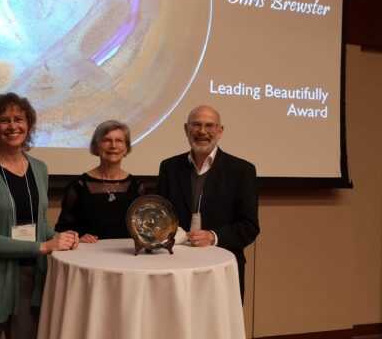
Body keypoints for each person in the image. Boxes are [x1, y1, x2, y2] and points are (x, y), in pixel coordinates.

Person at [0, 93, 79, 339]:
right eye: (4, 120)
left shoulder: (40, 168)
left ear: (28, 124)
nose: (13, 126)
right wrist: (43, 246)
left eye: (19, 119)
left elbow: (39, 223)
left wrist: (63, 238)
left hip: (31, 278)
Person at [156, 105, 260, 300]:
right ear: (186, 129)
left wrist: (213, 236)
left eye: (210, 125)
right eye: (196, 125)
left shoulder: (242, 171)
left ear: (220, 131)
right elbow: (160, 218)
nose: (202, 131)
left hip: (221, 267)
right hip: (175, 266)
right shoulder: (169, 168)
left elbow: (249, 227)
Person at [55, 120, 145, 242]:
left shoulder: (137, 186)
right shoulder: (77, 186)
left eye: (119, 141)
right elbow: (63, 229)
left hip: (128, 257)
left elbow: (143, 229)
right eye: (107, 140)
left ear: (126, 148)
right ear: (96, 146)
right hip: (88, 257)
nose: (113, 146)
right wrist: (79, 239)